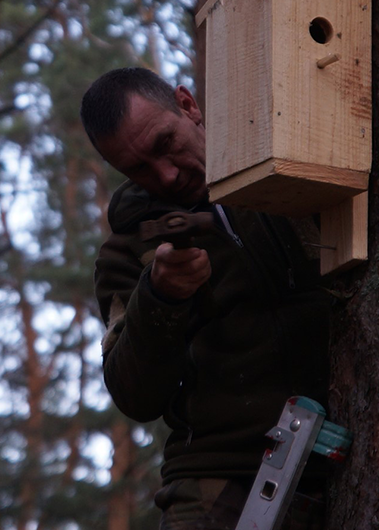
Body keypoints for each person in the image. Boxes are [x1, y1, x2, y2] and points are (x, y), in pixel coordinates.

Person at [80, 67, 332, 530]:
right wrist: (161, 300)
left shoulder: (293, 156)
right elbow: (133, 395)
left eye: (164, 144)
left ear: (188, 105)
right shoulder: (128, 251)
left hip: (350, 448)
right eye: (139, 169)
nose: (167, 175)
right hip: (219, 475)